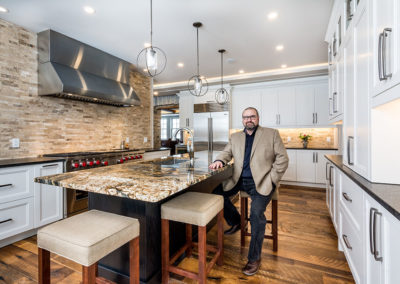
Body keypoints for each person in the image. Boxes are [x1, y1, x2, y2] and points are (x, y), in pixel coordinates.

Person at [209, 107, 289, 276]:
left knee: (256, 213)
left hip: (262, 182)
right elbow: (226, 152)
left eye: (252, 116)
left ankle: (254, 258)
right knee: (215, 193)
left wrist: (272, 179)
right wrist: (218, 160)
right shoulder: (235, 137)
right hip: (238, 180)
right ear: (242, 120)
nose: (249, 120)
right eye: (245, 117)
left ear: (258, 118)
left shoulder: (271, 134)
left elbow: (283, 159)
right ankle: (238, 221)